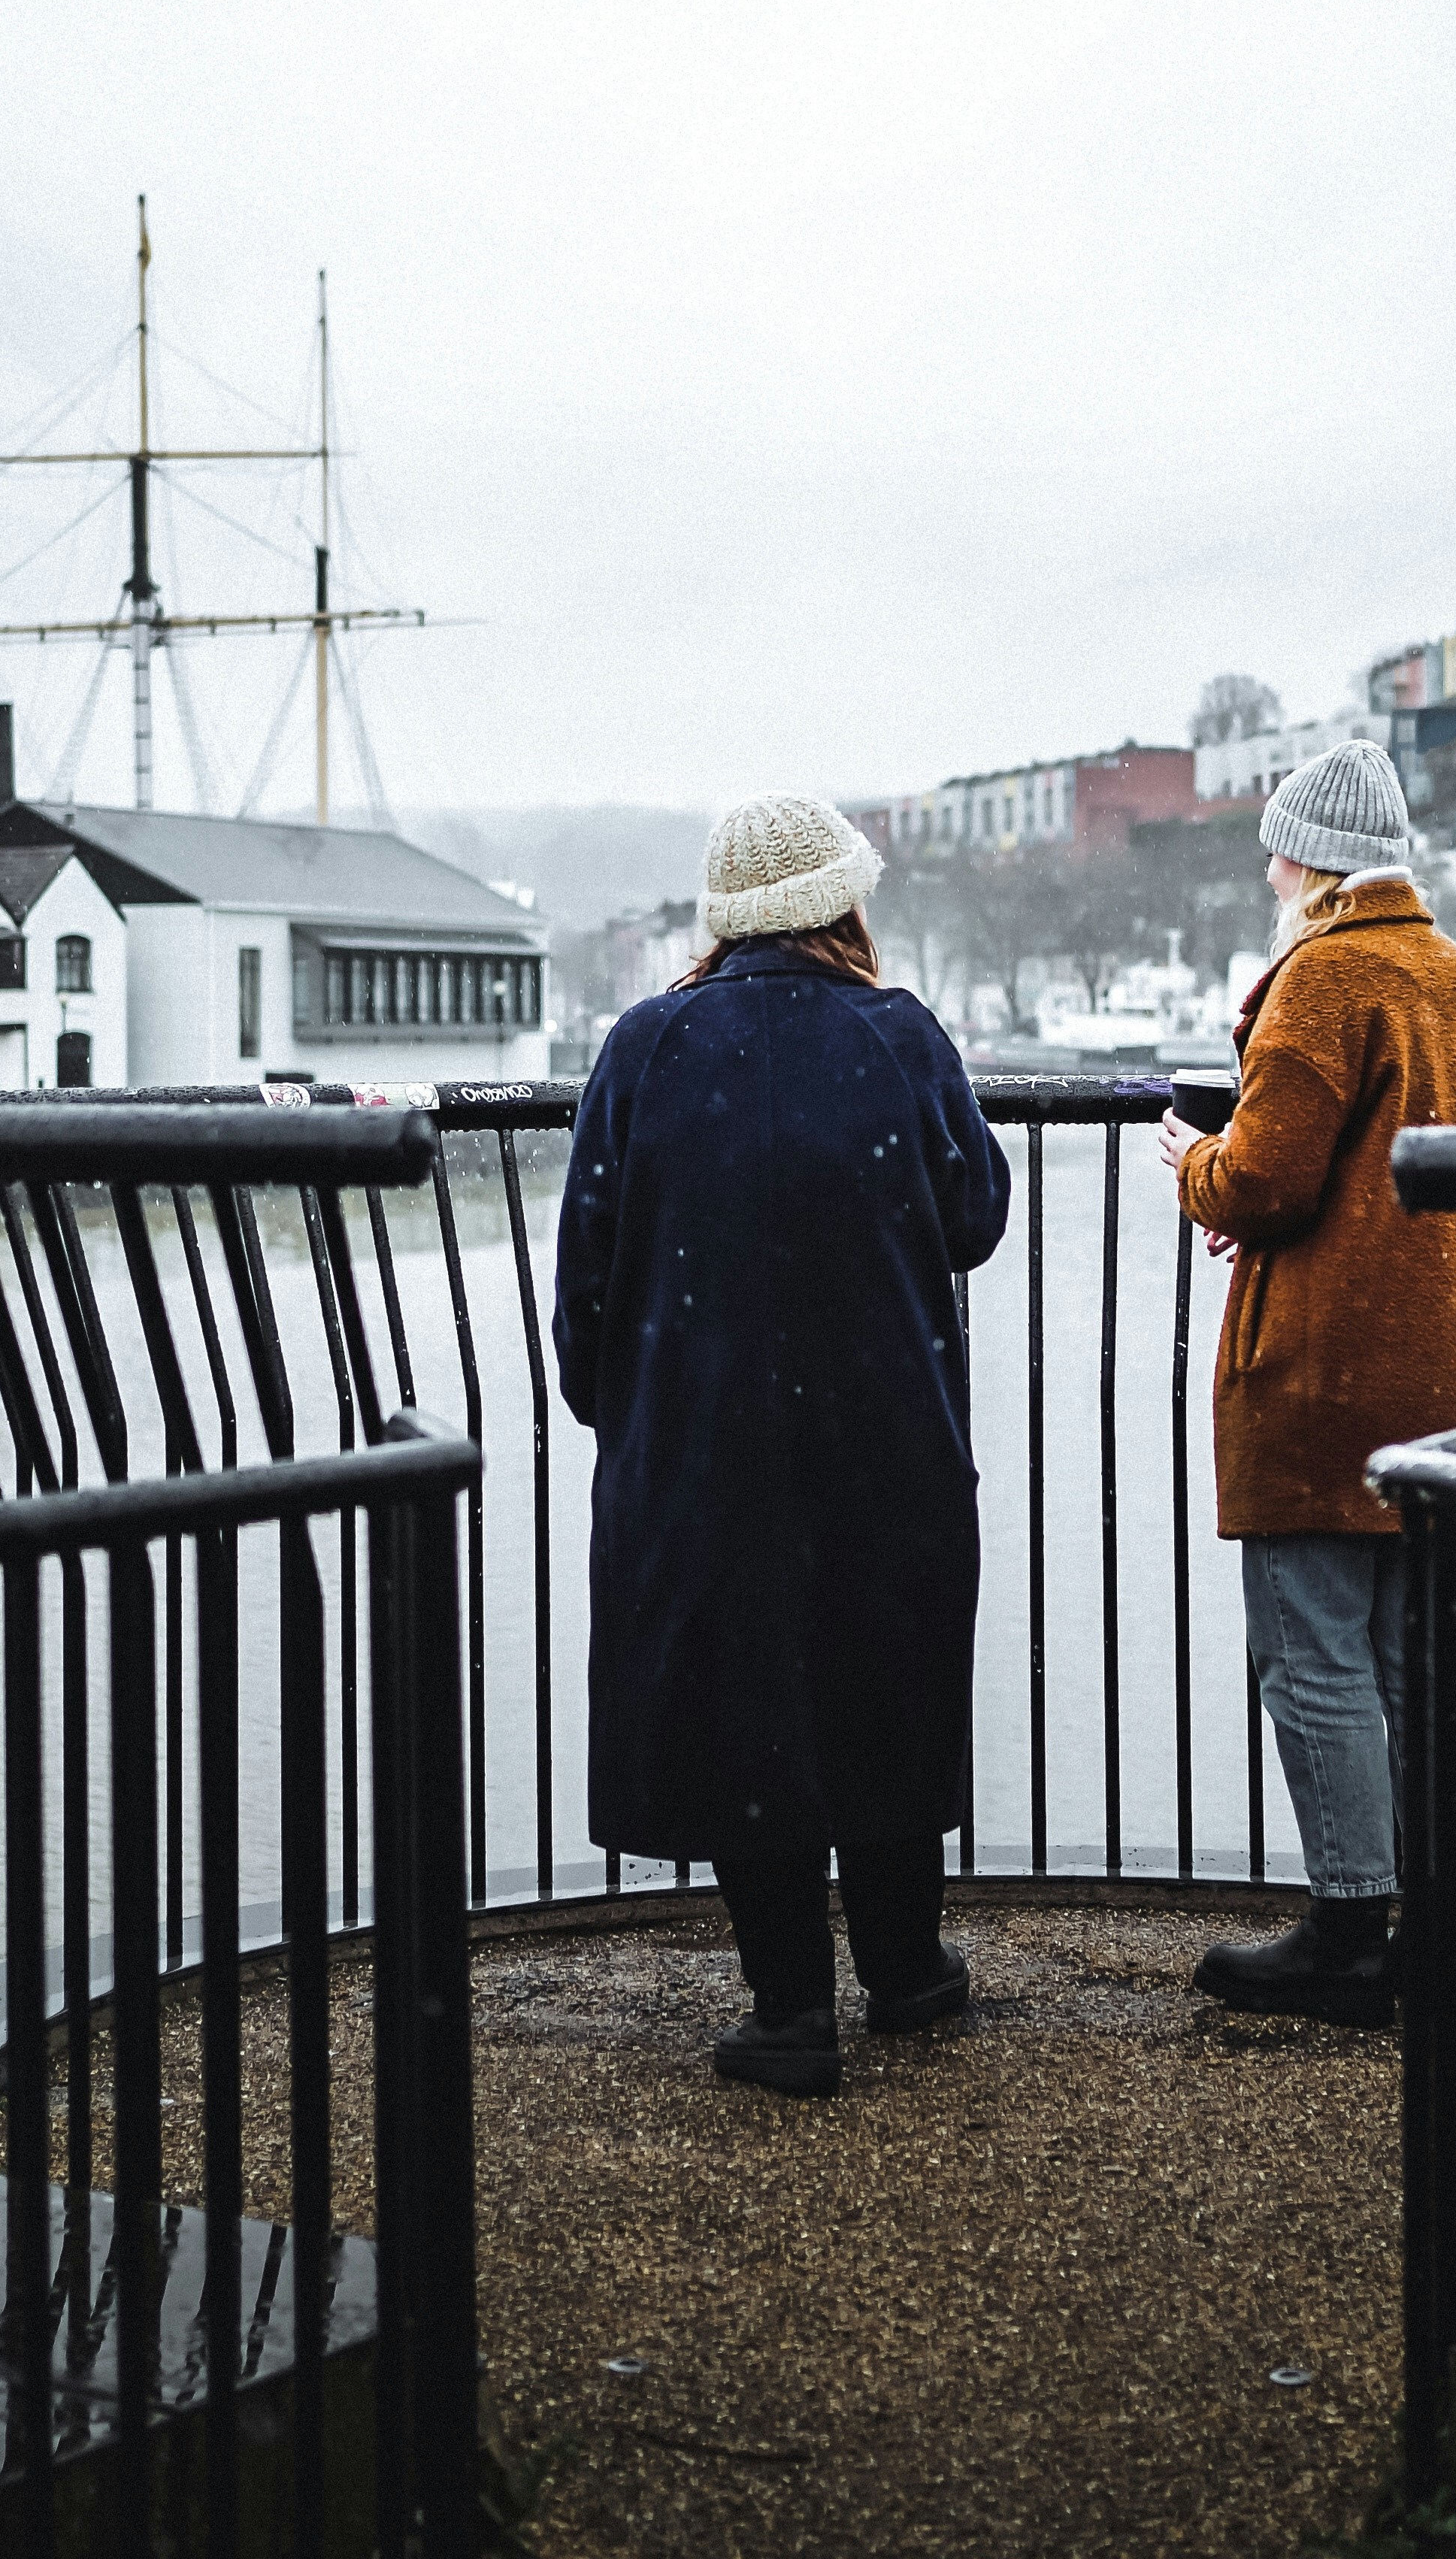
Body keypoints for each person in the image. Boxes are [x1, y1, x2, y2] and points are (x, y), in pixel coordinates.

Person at [553, 792, 1011, 2099]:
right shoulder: (901, 1034)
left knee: (747, 1706)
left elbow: (587, 1262)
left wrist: (623, 1414)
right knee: (883, 1685)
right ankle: (909, 1973)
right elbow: (973, 1214)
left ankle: (790, 2010)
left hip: (702, 1450)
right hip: (886, 1438)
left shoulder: (644, 1045)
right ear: (842, 904)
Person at [1158, 737, 1456, 2024]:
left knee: (1311, 1653)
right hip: (1449, 1370)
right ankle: (1439, 1918)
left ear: (1312, 860)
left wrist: (1195, 1164)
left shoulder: (1322, 976)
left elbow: (1270, 1181)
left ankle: (1351, 1929)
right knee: (1414, 1658)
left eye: (1276, 850)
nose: (1265, 873)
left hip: (1327, 1369)